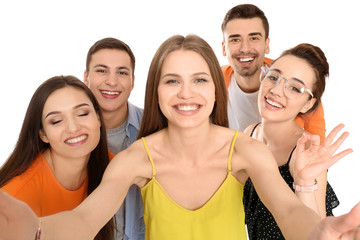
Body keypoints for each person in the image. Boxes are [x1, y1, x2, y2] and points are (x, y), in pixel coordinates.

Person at [0, 34, 357, 240]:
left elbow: (290, 211)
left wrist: (319, 231)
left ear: (217, 90)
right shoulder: (135, 159)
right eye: (172, 81)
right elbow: (83, 220)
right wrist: (38, 229)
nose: (186, 93)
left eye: (199, 80)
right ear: (155, 91)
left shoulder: (246, 152)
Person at [242, 43, 341, 239]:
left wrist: (303, 182)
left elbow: (317, 233)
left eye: (295, 88)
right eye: (273, 76)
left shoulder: (306, 152)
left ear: (308, 104)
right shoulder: (250, 133)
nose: (277, 90)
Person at [0, 75, 115, 240]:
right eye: (56, 121)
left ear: (98, 118)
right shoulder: (17, 195)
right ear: (43, 134)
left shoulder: (112, 166)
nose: (73, 128)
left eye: (82, 113)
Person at [221, 4, 326, 143]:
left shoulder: (300, 88)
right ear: (224, 48)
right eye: (235, 39)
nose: (244, 48)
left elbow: (317, 150)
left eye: (254, 38)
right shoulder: (212, 81)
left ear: (267, 44)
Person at [83, 37, 144, 240]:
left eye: (122, 72)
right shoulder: (69, 134)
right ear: (86, 77)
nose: (112, 81)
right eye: (102, 70)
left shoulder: (154, 128)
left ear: (133, 81)